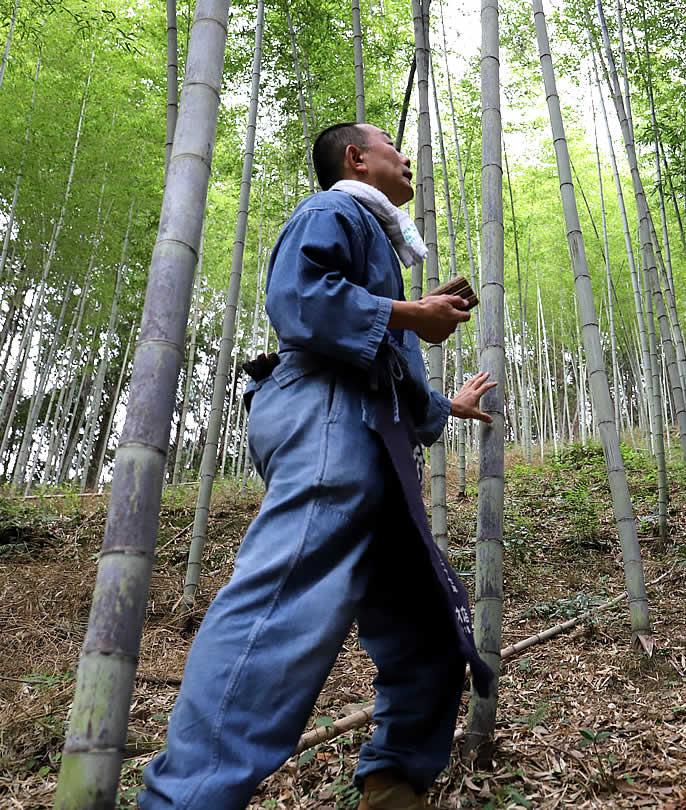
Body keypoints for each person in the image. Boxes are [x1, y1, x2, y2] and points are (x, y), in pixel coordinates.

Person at [139, 122, 496, 810]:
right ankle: (185, 799)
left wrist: (447, 404)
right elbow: (299, 300)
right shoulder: (334, 208)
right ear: (356, 159)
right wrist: (409, 312)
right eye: (393, 144)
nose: (407, 155)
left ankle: (392, 780)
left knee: (423, 621)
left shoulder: (373, 230)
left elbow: (392, 364)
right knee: (284, 603)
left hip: (371, 427)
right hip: (326, 414)